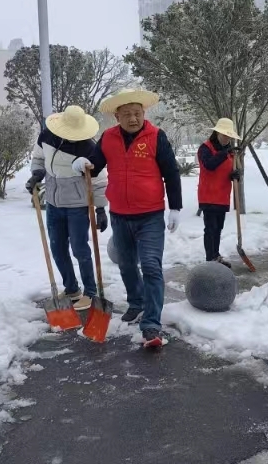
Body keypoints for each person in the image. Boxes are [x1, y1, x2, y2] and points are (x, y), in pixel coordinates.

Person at [72, 88, 182, 348]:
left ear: (144, 113)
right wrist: (82, 163)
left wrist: (175, 207)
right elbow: (94, 165)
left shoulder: (156, 136)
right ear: (117, 117)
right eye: (127, 114)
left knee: (151, 266)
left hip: (150, 216)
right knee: (127, 265)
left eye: (137, 113)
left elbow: (172, 173)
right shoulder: (108, 138)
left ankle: (151, 323)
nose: (133, 119)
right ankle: (136, 302)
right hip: (120, 215)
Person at [26, 106, 109, 311]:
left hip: (78, 205)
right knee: (57, 248)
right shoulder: (46, 136)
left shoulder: (89, 147)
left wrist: (100, 209)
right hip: (53, 203)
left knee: (80, 249)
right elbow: (38, 158)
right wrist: (37, 174)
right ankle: (71, 288)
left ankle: (90, 291)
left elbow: (98, 180)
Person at [197, 118, 242, 268]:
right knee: (210, 228)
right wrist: (225, 153)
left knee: (218, 228)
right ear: (216, 132)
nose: (226, 138)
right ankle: (210, 259)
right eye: (223, 134)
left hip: (222, 196)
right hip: (208, 196)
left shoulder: (230, 153)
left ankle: (216, 256)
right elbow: (209, 165)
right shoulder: (205, 148)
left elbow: (228, 172)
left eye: (228, 135)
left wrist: (234, 176)